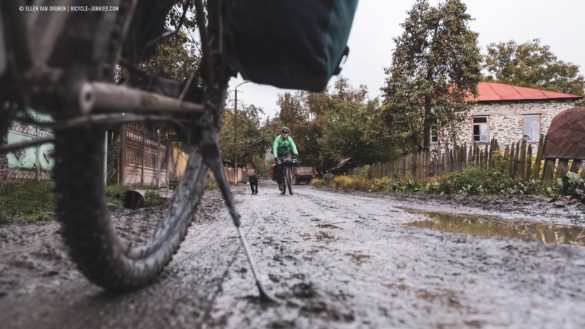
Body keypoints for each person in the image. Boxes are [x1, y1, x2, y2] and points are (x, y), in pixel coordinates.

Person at [272, 127, 298, 193]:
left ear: (288, 133)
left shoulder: (290, 139)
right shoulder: (278, 138)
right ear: (281, 133)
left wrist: (295, 153)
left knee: (291, 161)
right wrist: (276, 157)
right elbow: (274, 147)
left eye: (286, 133)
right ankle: (280, 183)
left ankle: (290, 175)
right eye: (283, 132)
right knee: (278, 168)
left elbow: (293, 146)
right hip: (278, 155)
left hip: (286, 154)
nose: (284, 134)